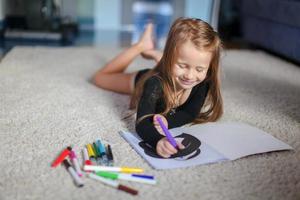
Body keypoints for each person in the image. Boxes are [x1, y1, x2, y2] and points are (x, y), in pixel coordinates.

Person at [93, 17, 223, 158]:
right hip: (141, 80)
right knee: (100, 78)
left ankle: (160, 57)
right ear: (169, 58)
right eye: (182, 65)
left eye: (199, 69)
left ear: (209, 67)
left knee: (183, 71)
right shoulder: (154, 83)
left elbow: (190, 113)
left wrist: (168, 121)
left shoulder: (203, 82)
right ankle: (141, 46)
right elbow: (142, 122)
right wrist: (158, 140)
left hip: (167, 68)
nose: (190, 76)